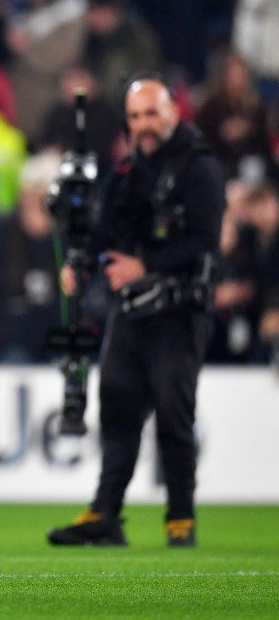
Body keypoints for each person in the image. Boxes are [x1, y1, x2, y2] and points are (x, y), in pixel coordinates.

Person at [48, 74, 225, 547]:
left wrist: (143, 265)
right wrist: (80, 266)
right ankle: (106, 513)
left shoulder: (199, 167)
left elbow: (205, 243)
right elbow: (104, 233)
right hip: (130, 314)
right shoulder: (127, 173)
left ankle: (180, 517)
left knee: (173, 412)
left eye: (152, 113)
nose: (144, 125)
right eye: (135, 117)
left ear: (172, 113)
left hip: (179, 311)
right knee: (117, 410)